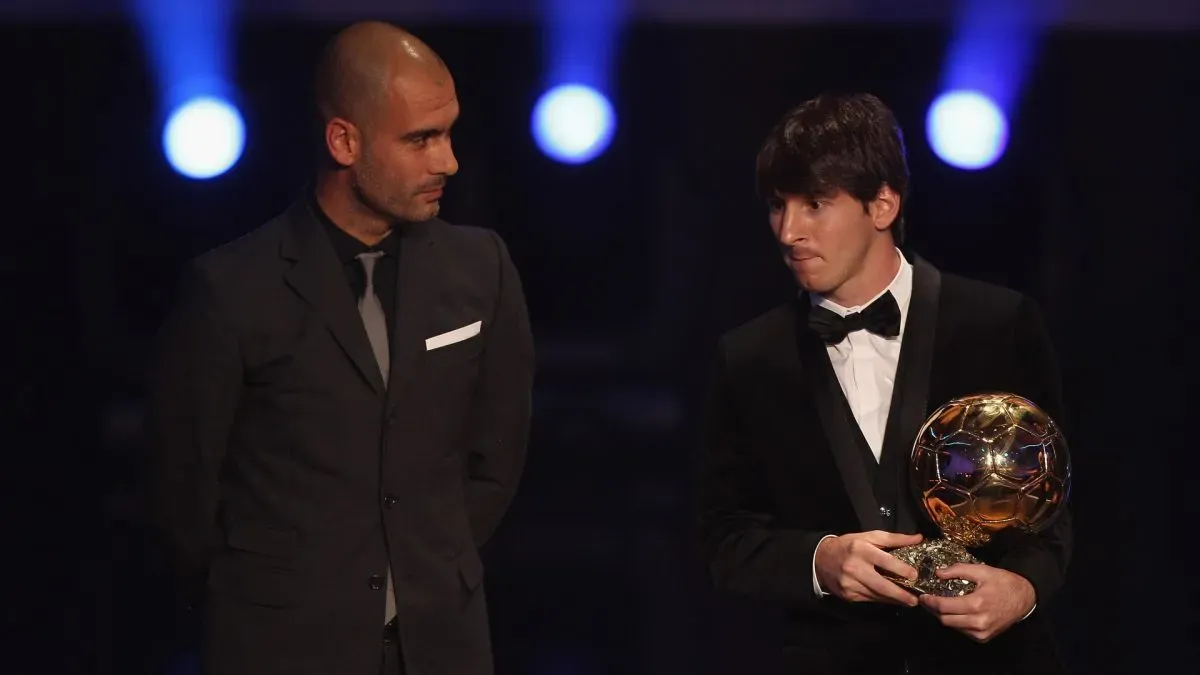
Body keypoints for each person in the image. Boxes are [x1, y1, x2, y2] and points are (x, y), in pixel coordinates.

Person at [147, 21, 534, 675]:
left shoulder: (482, 268)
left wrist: (427, 556)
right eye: (421, 139)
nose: (449, 161)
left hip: (442, 640)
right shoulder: (231, 288)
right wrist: (282, 587)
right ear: (344, 141)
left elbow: (498, 454)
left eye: (449, 132)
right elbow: (183, 493)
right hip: (278, 645)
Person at [695, 92, 1072, 674]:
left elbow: (1055, 499)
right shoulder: (749, 357)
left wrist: (1023, 589)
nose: (788, 230)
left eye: (815, 204)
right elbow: (725, 539)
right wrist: (820, 561)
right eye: (777, 205)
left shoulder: (999, 323)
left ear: (883, 205)